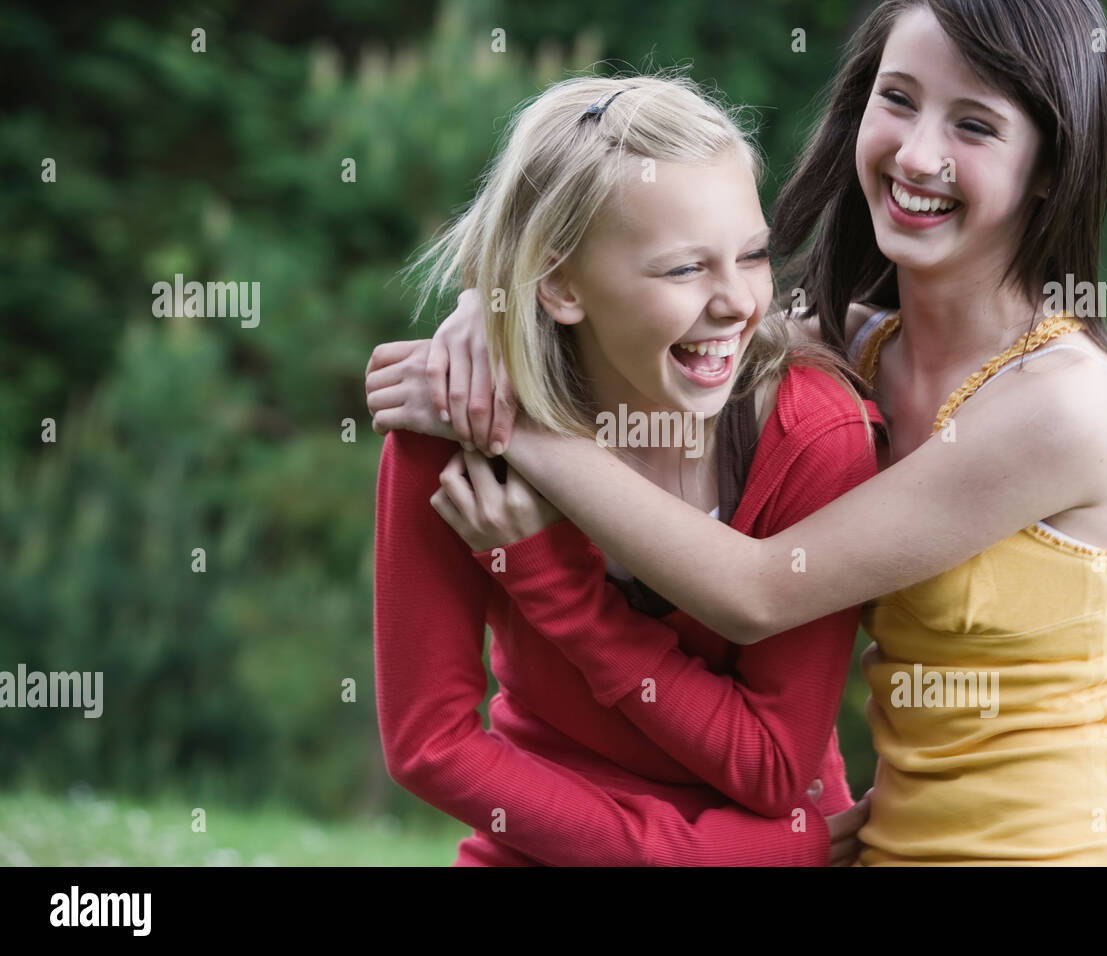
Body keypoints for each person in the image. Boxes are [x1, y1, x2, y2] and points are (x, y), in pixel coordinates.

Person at [369, 0, 1107, 865]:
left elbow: (755, 592)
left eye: (975, 125)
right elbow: (656, 315)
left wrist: (517, 430)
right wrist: (490, 314)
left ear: (1053, 166)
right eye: (898, 99)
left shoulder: (1063, 405)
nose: (916, 154)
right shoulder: (861, 351)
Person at [371, 73, 880, 866]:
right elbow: (427, 744)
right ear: (561, 284)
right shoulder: (455, 420)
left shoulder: (813, 435)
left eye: (751, 256)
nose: (738, 304)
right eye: (682, 270)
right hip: (607, 848)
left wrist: (557, 585)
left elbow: (773, 766)